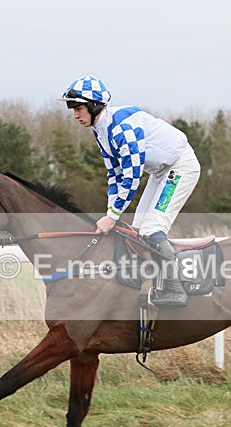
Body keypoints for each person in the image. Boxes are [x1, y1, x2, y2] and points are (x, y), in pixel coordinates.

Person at [60, 75, 201, 307]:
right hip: (160, 172)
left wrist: (113, 216)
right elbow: (114, 175)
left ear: (94, 106)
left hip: (180, 167)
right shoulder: (101, 131)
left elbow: (132, 175)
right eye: (72, 109)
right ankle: (151, 283)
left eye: (78, 109)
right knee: (139, 231)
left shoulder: (121, 128)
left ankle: (175, 288)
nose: (75, 115)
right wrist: (109, 212)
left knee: (153, 229)